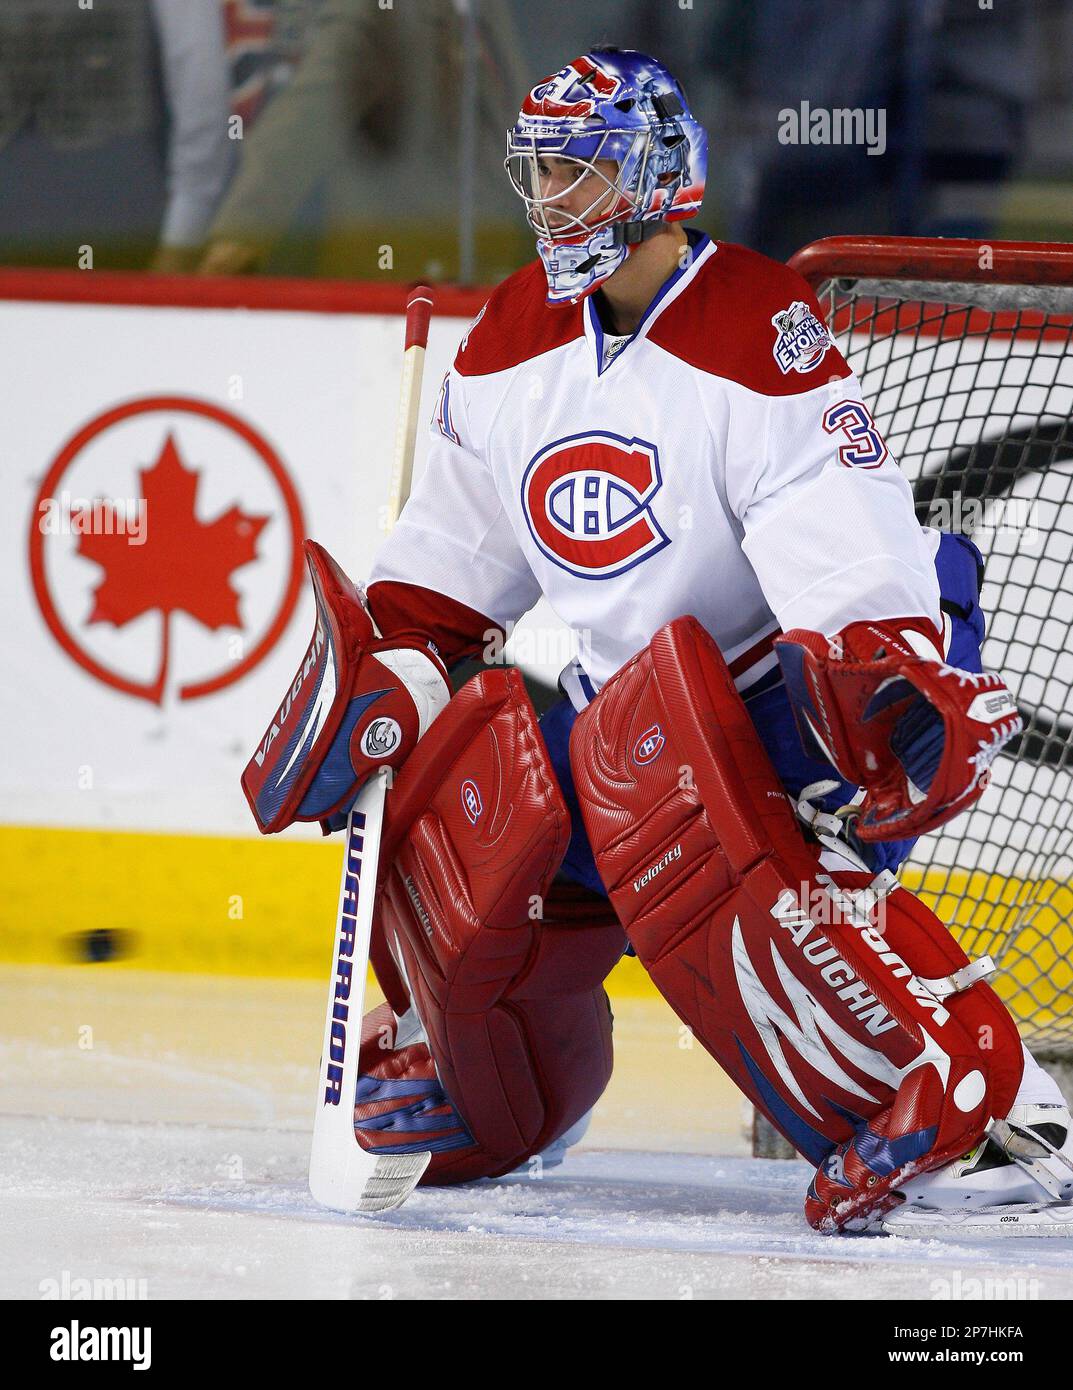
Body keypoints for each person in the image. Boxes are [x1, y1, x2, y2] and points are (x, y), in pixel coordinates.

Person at [243, 49, 1073, 1234]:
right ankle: (504, 1090)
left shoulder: (755, 331)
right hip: (636, 708)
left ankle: (999, 1123)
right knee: (464, 803)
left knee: (658, 779)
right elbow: (449, 572)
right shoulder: (509, 339)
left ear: (653, 179)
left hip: (800, 686)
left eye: (577, 172)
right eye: (538, 174)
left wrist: (873, 678)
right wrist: (388, 673)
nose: (551, 202)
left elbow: (836, 536)